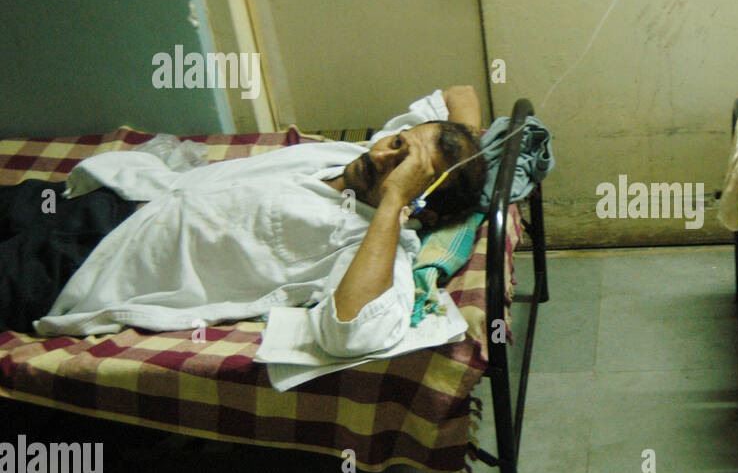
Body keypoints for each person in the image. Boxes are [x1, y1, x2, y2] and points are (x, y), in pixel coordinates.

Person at [1, 87, 486, 358]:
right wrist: (469, 147)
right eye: (397, 143)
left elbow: (353, 331)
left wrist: (397, 200)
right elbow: (457, 93)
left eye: (404, 166)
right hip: (114, 197)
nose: (384, 156)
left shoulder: (370, 246)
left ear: (423, 205)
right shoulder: (360, 155)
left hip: (87, 265)